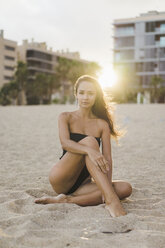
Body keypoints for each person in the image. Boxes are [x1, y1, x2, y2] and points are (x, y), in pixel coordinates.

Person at [35, 75, 132, 217]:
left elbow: (107, 158)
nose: (85, 97)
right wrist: (89, 150)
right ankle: (112, 202)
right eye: (81, 93)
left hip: (84, 185)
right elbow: (65, 143)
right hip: (62, 177)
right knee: (90, 142)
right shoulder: (65, 117)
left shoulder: (101, 124)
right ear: (76, 94)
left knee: (125, 188)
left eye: (90, 93)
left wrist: (107, 187)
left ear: (96, 96)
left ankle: (67, 200)